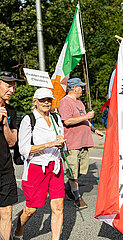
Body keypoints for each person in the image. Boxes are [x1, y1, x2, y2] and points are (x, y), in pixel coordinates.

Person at [15, 88, 66, 240]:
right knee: (31, 209)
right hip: (37, 167)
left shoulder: (56, 118)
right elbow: (24, 150)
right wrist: (49, 144)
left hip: (56, 166)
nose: (46, 102)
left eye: (49, 100)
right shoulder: (28, 119)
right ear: (35, 101)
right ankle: (18, 230)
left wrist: (61, 144)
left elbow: (62, 143)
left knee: (58, 207)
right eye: (42, 99)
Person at [58, 78, 104, 209]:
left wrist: (95, 130)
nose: (82, 89)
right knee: (73, 171)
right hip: (72, 143)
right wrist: (87, 117)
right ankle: (77, 197)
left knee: (81, 170)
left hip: (83, 142)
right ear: (74, 88)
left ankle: (67, 188)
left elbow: (85, 120)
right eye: (81, 87)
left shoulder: (79, 102)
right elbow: (66, 121)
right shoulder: (65, 102)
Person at [0, 71, 21, 240]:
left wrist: (5, 123)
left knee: (7, 210)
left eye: (13, 86)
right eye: (8, 85)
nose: (12, 89)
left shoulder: (11, 111)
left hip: (5, 168)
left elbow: (12, 142)